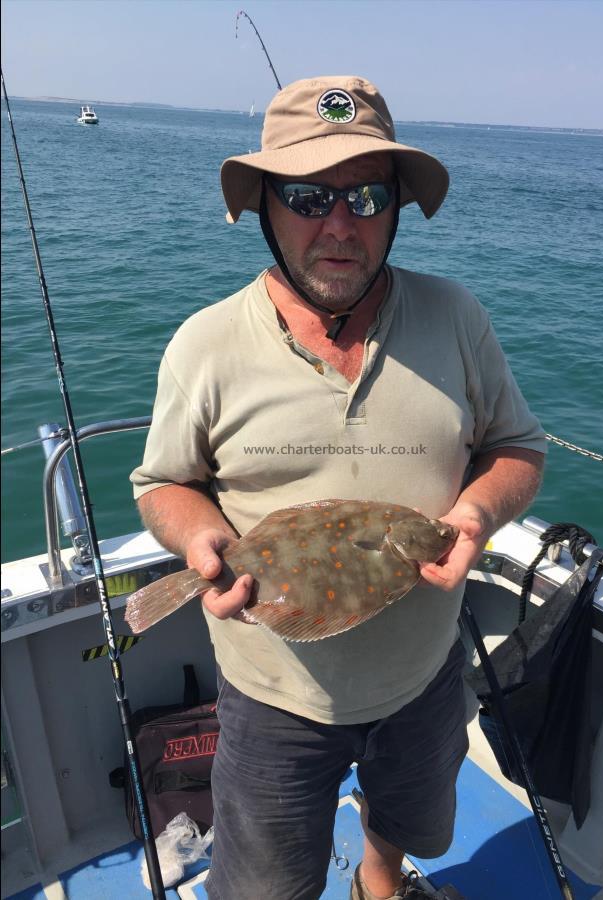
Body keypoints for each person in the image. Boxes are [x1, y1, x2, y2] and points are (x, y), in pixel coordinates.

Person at [130, 76, 546, 900]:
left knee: (407, 826)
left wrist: (476, 511)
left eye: (365, 195)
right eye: (306, 195)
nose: (339, 225)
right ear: (262, 206)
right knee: (264, 886)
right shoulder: (204, 344)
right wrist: (199, 539)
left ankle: (379, 882)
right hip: (271, 694)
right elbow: (162, 484)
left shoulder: (455, 316)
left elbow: (516, 448)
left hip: (425, 675)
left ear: (395, 207)